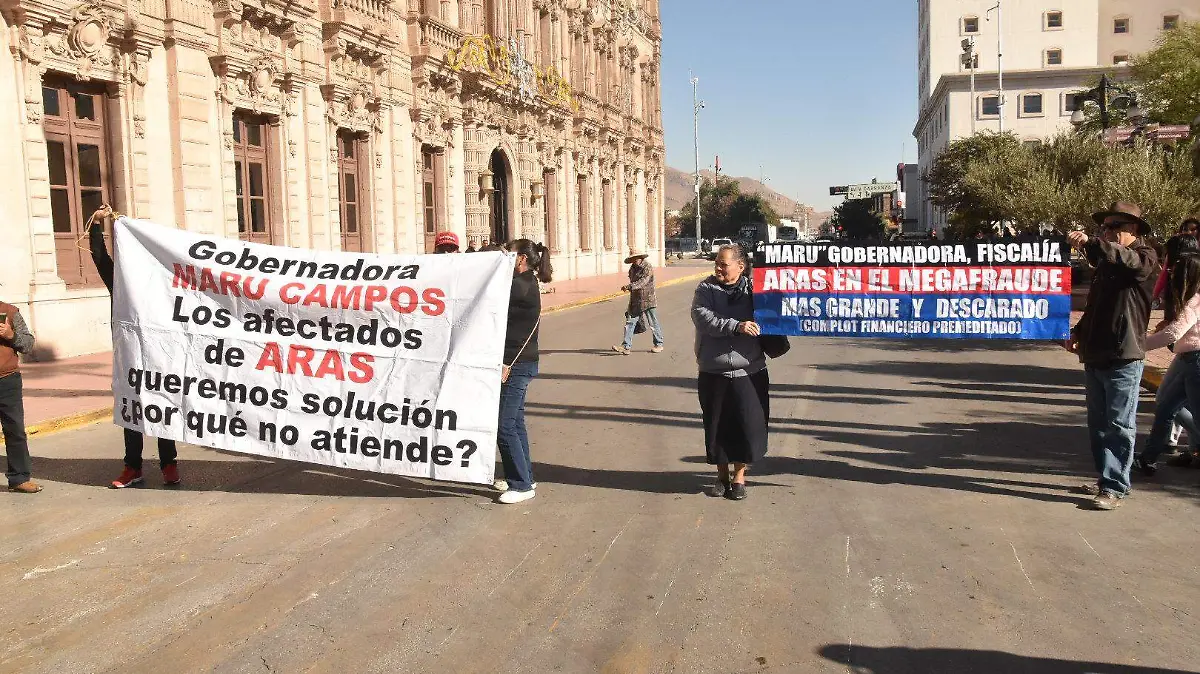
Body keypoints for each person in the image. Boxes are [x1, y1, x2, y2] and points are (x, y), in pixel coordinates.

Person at [1066, 202, 1158, 510]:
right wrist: (1078, 331)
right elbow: (1095, 305)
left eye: (1110, 228)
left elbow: (1124, 258)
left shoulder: (1144, 258)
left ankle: (1115, 486)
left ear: (1130, 229)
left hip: (1124, 355)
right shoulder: (1108, 265)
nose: (1104, 233)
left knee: (1119, 423)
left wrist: (1093, 243)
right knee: (1099, 423)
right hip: (1096, 353)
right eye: (1102, 228)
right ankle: (1106, 477)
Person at [88, 206, 181, 489]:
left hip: (158, 356)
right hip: (129, 356)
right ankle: (133, 466)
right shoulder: (118, 282)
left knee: (161, 407)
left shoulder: (162, 284)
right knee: (132, 410)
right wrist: (96, 225)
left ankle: (169, 464)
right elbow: (99, 256)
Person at [692, 244, 769, 501]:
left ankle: (739, 478)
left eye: (723, 264)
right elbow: (702, 317)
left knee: (745, 427)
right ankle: (721, 476)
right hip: (714, 371)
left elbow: (780, 307)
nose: (718, 268)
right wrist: (736, 326)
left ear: (740, 266)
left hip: (750, 370)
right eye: (717, 263)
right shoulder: (705, 289)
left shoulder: (756, 290)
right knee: (717, 427)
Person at [1135, 252, 1200, 477]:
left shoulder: (1195, 300)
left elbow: (1173, 333)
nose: (1169, 274)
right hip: (1186, 359)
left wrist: (1137, 346)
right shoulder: (1190, 298)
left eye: (1175, 271)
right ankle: (1148, 458)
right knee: (1164, 406)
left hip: (1196, 362)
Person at [494, 239, 541, 504]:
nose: (504, 259)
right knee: (516, 422)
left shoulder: (519, 286)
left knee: (504, 424)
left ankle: (522, 485)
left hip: (516, 364)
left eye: (507, 254)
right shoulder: (526, 282)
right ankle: (524, 476)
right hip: (520, 361)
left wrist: (506, 363)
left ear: (521, 258)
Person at [0, 302, 41, 493]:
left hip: (8, 380)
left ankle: (19, 479)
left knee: (15, 430)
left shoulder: (9, 312)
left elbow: (28, 344)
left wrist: (10, 335)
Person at [613, 248, 664, 355]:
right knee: (630, 322)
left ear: (640, 257)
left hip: (648, 299)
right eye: (632, 258)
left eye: (636, 258)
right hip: (636, 300)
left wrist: (630, 286)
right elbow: (633, 283)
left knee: (653, 322)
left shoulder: (647, 267)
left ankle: (659, 343)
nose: (634, 260)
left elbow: (643, 282)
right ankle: (626, 346)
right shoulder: (632, 269)